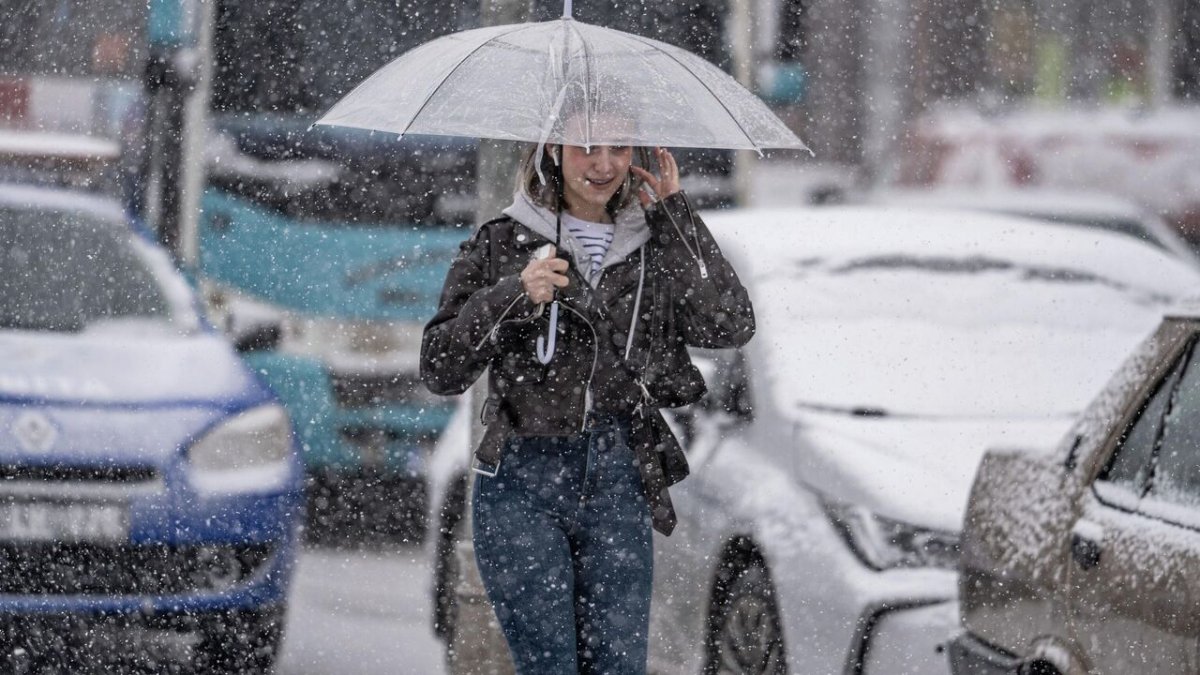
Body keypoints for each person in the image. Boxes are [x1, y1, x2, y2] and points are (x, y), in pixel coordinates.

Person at [420, 141, 754, 674]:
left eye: (618, 148)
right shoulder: (502, 240)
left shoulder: (654, 242)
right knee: (550, 665)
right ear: (553, 149)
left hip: (618, 475)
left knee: (618, 666)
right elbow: (440, 367)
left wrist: (676, 217)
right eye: (586, 148)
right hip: (521, 480)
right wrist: (514, 295)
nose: (603, 166)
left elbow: (729, 325)